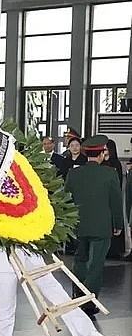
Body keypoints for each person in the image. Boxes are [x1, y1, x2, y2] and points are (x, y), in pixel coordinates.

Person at [65, 135, 123, 317]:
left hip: (78, 225)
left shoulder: (73, 173)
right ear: (101, 154)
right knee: (96, 263)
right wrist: (118, 224)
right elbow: (116, 201)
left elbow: (66, 199)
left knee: (79, 260)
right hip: (102, 226)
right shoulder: (110, 174)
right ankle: (89, 301)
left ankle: (78, 294)